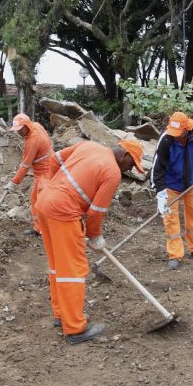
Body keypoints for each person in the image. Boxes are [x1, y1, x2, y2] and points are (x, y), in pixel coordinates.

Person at [35, 139, 144, 345]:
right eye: (132, 164)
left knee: (58, 266)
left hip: (45, 203)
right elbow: (96, 212)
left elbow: (54, 159)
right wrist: (95, 236)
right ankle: (75, 328)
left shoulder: (89, 146)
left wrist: (54, 185)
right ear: (125, 156)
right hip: (63, 213)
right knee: (73, 271)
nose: (130, 169)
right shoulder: (112, 172)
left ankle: (62, 315)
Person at [150, 111, 193, 270]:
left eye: (179, 133)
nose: (176, 136)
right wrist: (160, 195)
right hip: (171, 184)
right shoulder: (166, 139)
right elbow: (157, 170)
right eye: (174, 132)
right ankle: (175, 254)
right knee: (170, 218)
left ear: (187, 128)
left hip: (192, 182)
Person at [5, 113, 53, 236]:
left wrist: (14, 182)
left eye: (21, 130)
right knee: (35, 200)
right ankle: (39, 228)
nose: (19, 133)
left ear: (27, 125)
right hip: (45, 170)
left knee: (41, 202)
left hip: (45, 173)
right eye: (17, 130)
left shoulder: (32, 141)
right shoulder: (36, 126)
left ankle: (46, 230)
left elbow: (25, 166)